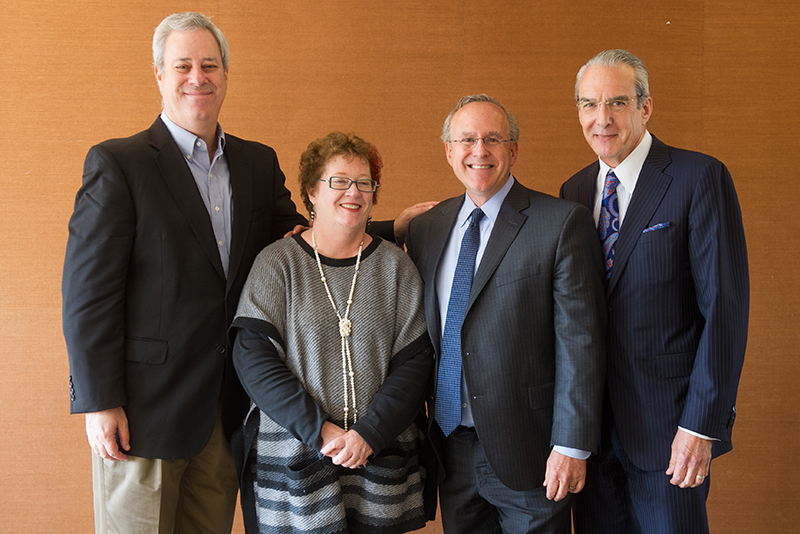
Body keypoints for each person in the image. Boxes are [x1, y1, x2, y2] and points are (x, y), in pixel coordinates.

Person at [62, 13, 428, 534]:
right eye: (183, 65)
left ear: (226, 75)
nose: (198, 76)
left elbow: (309, 236)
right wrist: (99, 400)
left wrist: (392, 227)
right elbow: (87, 293)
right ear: (159, 75)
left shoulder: (256, 163)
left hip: (229, 408)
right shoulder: (119, 164)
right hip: (144, 410)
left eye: (210, 64)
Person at [560, 49, 749, 534]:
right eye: (588, 104)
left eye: (616, 103)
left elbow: (724, 311)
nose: (601, 119)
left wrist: (700, 426)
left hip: (670, 431)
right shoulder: (573, 193)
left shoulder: (697, 177)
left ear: (645, 107)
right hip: (593, 437)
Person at [405, 94, 607, 534]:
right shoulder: (425, 229)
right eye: (467, 140)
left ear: (513, 150)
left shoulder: (560, 222)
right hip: (450, 449)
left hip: (531, 449)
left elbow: (582, 341)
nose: (479, 151)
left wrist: (572, 445)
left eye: (493, 139)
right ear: (448, 151)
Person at [230, 132, 435, 533]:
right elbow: (252, 358)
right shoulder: (277, 263)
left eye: (364, 182)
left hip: (379, 458)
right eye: (339, 180)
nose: (353, 192)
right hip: (295, 462)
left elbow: (415, 364)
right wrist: (320, 430)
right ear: (311, 190)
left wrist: (368, 434)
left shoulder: (397, 267)